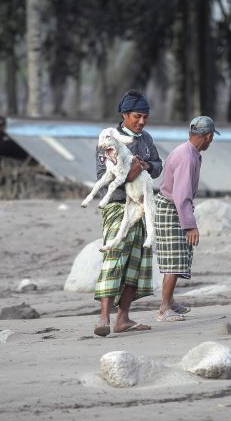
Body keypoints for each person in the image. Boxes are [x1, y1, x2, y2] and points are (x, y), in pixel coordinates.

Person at [92, 90, 163, 336]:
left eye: (145, 117)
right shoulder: (108, 140)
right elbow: (103, 177)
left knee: (137, 262)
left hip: (141, 208)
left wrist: (147, 166)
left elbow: (158, 165)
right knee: (113, 255)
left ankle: (122, 319)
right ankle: (103, 319)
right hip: (116, 206)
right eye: (137, 116)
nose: (141, 121)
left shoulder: (146, 139)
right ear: (124, 115)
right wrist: (131, 174)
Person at [154, 115, 219, 322]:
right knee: (174, 259)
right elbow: (181, 195)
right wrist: (190, 226)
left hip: (173, 205)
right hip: (172, 207)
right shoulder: (188, 157)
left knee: (178, 255)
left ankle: (170, 301)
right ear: (208, 136)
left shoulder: (187, 151)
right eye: (211, 138)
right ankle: (164, 308)